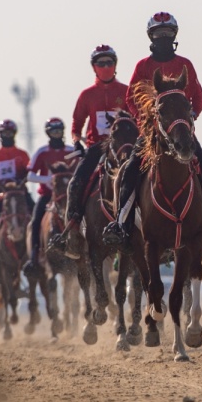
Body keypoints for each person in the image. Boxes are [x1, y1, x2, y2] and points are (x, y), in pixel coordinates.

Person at [102, 12, 202, 256]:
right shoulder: (143, 66)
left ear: (174, 36)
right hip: (152, 134)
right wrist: (144, 120)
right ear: (151, 37)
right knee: (129, 170)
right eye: (158, 35)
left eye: (167, 35)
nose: (163, 39)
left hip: (182, 133)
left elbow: (197, 97)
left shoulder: (185, 64)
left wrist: (189, 118)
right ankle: (121, 227)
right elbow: (130, 99)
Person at [51, 44, 129, 260]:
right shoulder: (87, 95)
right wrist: (76, 141)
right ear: (94, 67)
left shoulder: (126, 91)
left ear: (115, 65)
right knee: (75, 183)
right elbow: (76, 124)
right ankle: (73, 235)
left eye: (109, 62)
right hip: (96, 148)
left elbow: (139, 119)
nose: (105, 66)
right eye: (101, 63)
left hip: (123, 146)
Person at [22, 118, 75, 276]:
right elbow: (30, 175)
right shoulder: (42, 152)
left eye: (59, 131)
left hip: (69, 196)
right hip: (47, 195)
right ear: (48, 133)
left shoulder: (72, 150)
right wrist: (48, 180)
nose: (57, 134)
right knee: (36, 221)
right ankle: (34, 258)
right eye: (53, 131)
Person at [0, 119, 34, 267]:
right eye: (4, 133)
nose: (7, 135)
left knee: (36, 211)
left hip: (20, 193)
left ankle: (39, 247)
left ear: (14, 134)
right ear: (0, 135)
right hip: (2, 196)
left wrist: (19, 185)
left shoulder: (22, 154)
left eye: (9, 133)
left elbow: (27, 173)